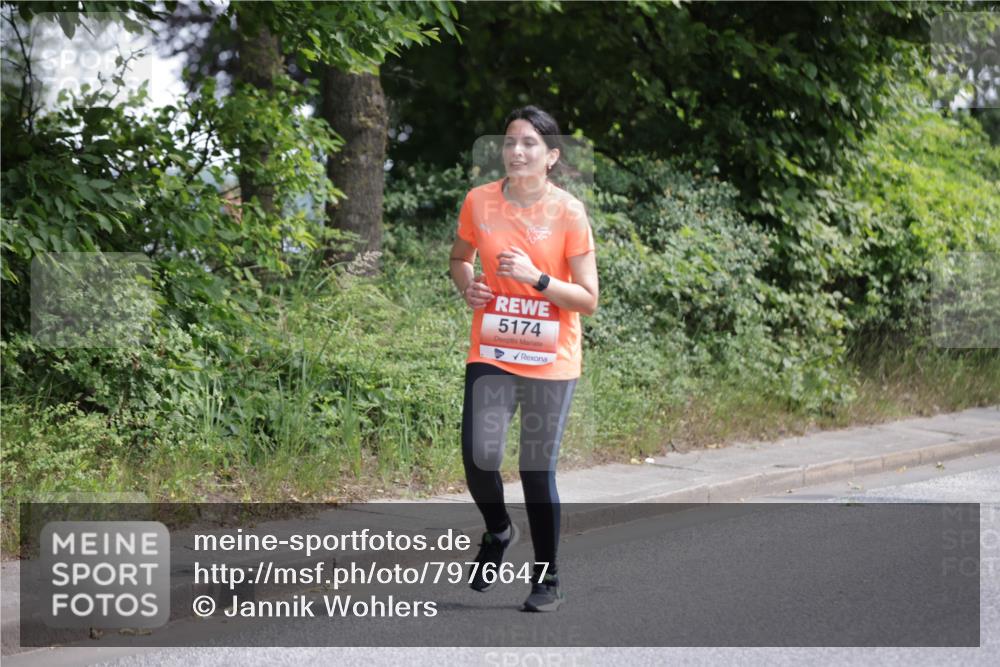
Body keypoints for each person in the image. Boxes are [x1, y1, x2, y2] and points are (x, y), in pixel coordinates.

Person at [448, 105, 599, 612]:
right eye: (511, 141)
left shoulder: (569, 212)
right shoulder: (479, 201)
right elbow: (459, 259)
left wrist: (538, 277)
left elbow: (588, 298)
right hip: (492, 347)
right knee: (477, 456)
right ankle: (498, 530)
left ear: (551, 156)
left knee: (536, 469)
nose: (517, 151)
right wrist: (469, 287)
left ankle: (547, 577)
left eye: (530, 143)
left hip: (550, 357)